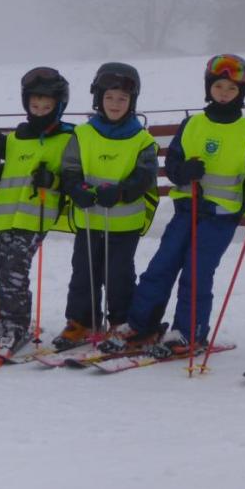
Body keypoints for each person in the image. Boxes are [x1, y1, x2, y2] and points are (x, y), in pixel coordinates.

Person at [103, 54, 245, 357]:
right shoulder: (193, 124)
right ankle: (140, 324)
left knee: (196, 273)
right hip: (187, 210)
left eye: (231, 89)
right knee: (161, 266)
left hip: (221, 216)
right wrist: (184, 171)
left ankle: (189, 331)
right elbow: (171, 166)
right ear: (209, 87)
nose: (223, 93)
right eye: (219, 86)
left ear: (241, 93)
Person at [54, 63, 159, 349]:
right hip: (89, 219)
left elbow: (146, 175)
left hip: (124, 224)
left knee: (119, 277)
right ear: (99, 99)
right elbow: (70, 168)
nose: (115, 104)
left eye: (122, 99)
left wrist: (123, 191)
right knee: (84, 273)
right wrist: (76, 188)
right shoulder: (83, 134)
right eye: (109, 98)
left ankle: (119, 322)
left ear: (132, 102)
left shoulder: (142, 139)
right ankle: (82, 321)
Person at [0, 67, 75, 351]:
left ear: (58, 106)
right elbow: (14, 169)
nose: (40, 110)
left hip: (37, 215)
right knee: (3, 267)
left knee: (15, 270)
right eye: (35, 105)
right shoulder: (16, 137)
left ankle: (18, 323)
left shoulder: (68, 137)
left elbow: (74, 174)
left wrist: (53, 179)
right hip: (9, 215)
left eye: (47, 106)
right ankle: (5, 320)